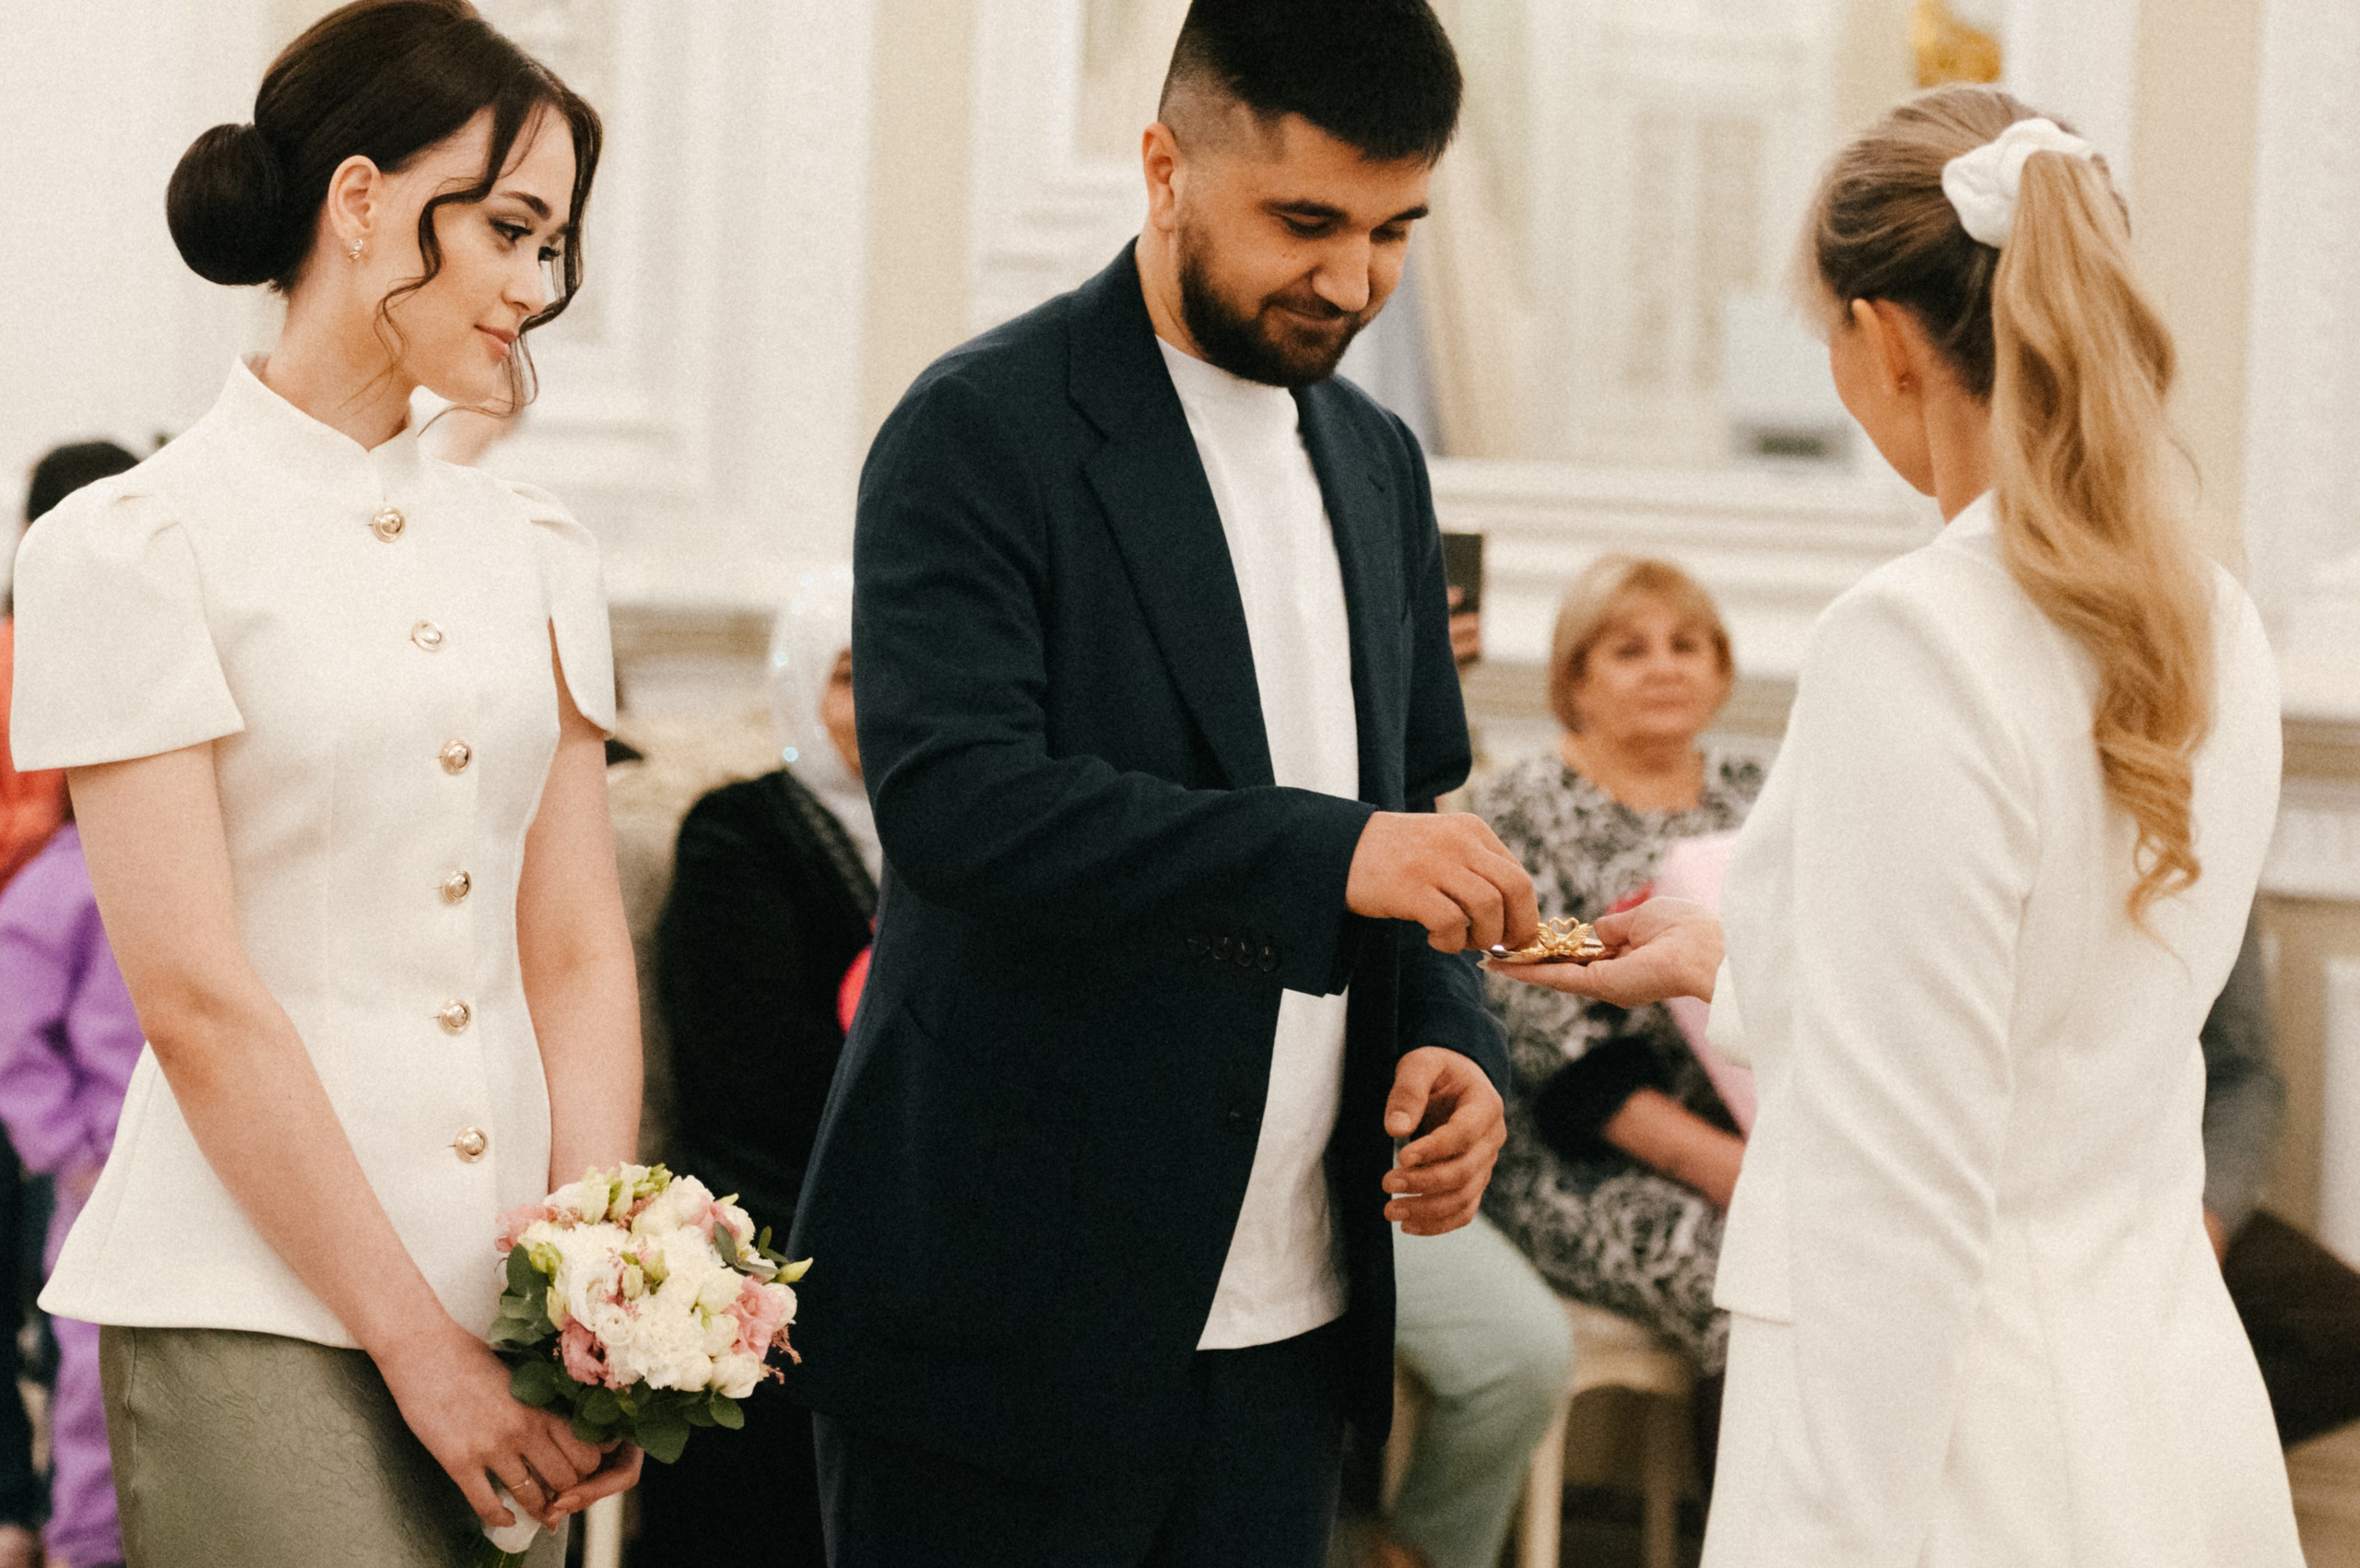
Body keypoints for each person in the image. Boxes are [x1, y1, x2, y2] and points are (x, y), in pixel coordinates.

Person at [1493, 87, 2301, 1565]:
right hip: (2154, 1397)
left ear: (1878, 335)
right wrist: (1725, 966)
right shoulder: (2216, 622)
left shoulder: (1915, 641)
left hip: (1955, 1449)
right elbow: (2040, 1014)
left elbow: (1900, 1185)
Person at [787, 3, 1539, 1562]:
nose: (1355, 280)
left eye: (1397, 229)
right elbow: (962, 805)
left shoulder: (1381, 464)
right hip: (1007, 1319)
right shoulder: (977, 430)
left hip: (1291, 1323)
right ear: (1163, 166)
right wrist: (1340, 860)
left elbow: (1414, 806)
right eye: (1306, 221)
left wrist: (1451, 1042)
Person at [7, 5, 643, 1563]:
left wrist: (604, 1300)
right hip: (244, 1305)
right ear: (360, 203)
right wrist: (418, 1357)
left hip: (514, 1311)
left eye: (555, 242)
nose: (538, 287)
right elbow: (196, 1000)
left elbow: (571, 950)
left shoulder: (541, 548)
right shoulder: (132, 545)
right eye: (507, 229)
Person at [1468, 557, 1757, 1472]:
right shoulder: (1522, 807)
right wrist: (1732, 1172)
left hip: (1757, 1137)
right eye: (1628, 650)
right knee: (1754, 1293)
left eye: (1686, 644)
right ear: (1573, 682)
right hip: (1578, 1155)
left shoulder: (1759, 800)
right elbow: (1554, 1045)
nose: (1665, 666)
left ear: (1720, 668)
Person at [633, 571, 874, 1567]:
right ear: (799, 685)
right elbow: (753, 1075)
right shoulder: (740, 833)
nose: (892, 704)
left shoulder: (967, 837)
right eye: (855, 675)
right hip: (767, 1229)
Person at [0, 442, 143, 1568]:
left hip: (198, 1157)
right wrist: (71, 1151)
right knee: (92, 1392)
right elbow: (16, 1037)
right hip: (99, 1175)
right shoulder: (64, 876)